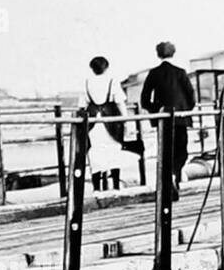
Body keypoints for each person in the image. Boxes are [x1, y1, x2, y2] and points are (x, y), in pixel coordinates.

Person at [140, 41, 195, 200]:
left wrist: (157, 110)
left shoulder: (154, 73)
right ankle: (174, 175)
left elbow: (144, 100)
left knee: (165, 152)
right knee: (181, 152)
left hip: (162, 121)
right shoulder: (180, 72)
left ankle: (169, 180)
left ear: (158, 54)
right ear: (173, 53)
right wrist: (184, 111)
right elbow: (191, 98)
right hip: (180, 119)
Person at [79, 56, 129, 192]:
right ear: (106, 67)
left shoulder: (86, 83)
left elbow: (82, 105)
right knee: (114, 151)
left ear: (92, 68)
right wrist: (126, 121)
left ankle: (97, 188)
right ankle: (116, 186)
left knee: (95, 153)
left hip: (94, 121)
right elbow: (120, 102)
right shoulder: (112, 81)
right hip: (111, 120)